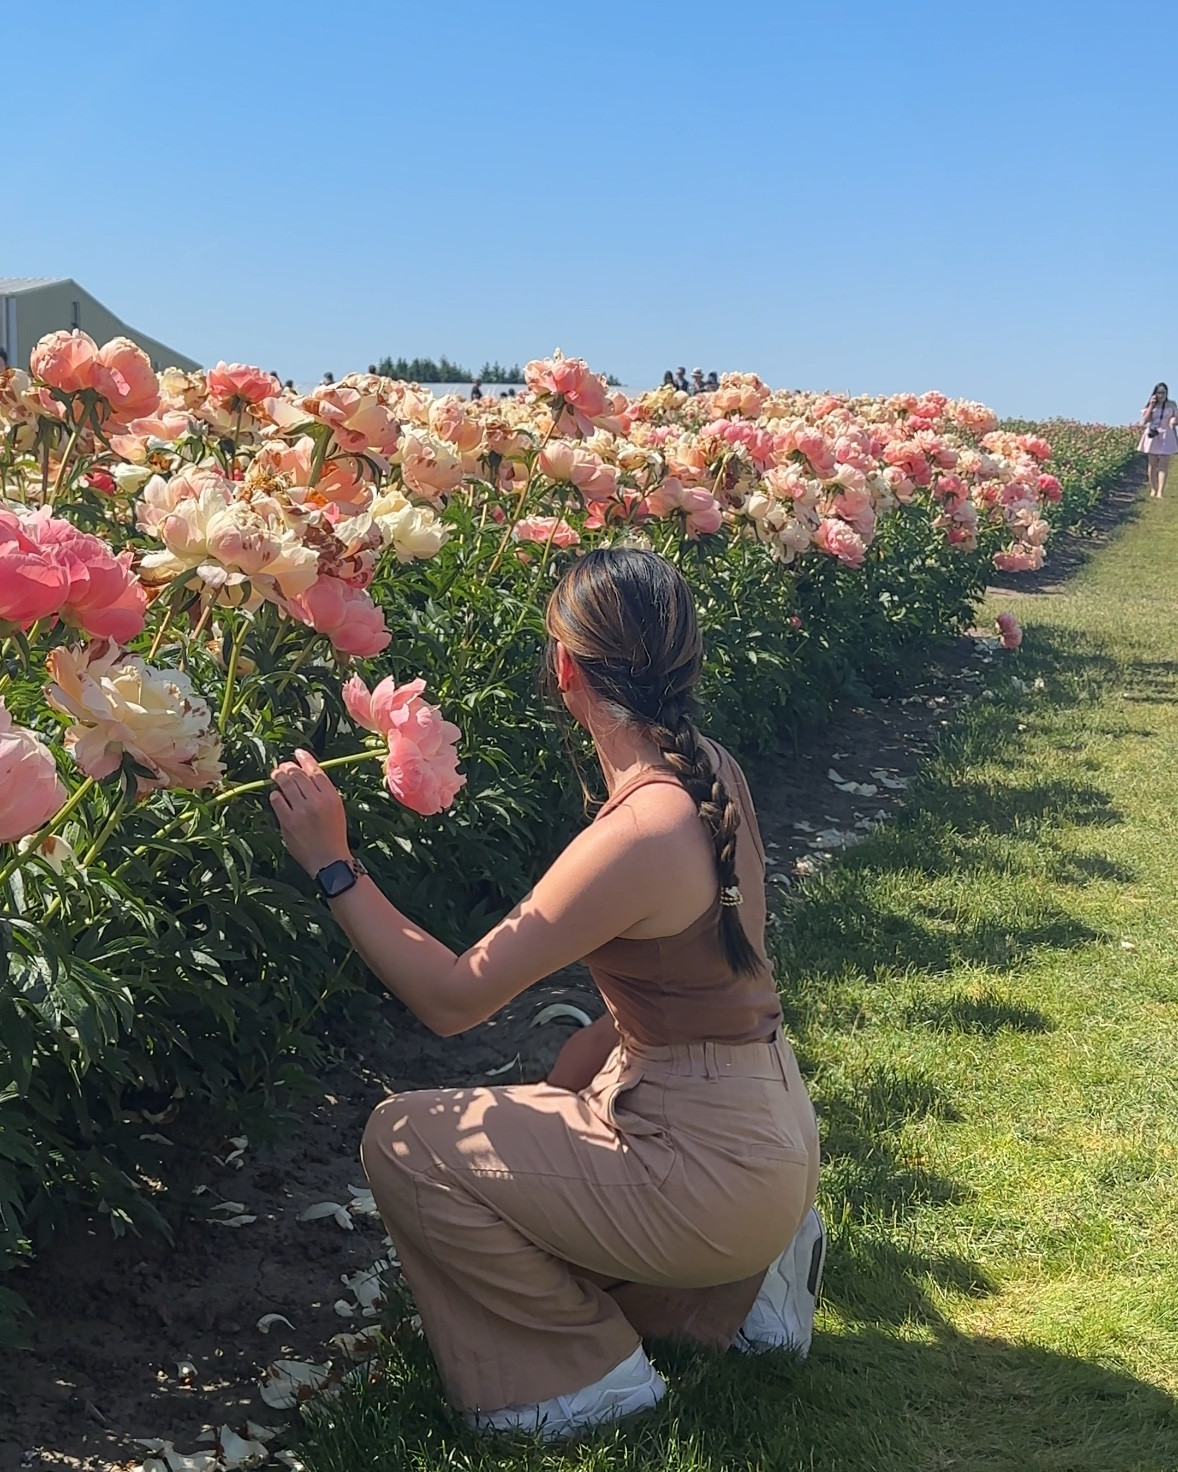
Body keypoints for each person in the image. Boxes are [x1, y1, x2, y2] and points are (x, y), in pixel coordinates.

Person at [269, 548, 824, 1442]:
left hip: (711, 1170)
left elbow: (453, 1000)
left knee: (406, 1140)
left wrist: (333, 861)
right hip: (773, 1133)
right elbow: (726, 971)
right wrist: (593, 1062)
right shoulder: (709, 768)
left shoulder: (641, 828)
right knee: (557, 1096)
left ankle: (584, 1380)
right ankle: (750, 1286)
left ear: (565, 664)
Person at [1138, 382, 1178, 498]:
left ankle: (1160, 491)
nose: (1161, 395)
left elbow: (1176, 418)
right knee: (1152, 464)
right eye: (1159, 393)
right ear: (1155, 393)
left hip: (1166, 434)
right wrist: (1151, 405)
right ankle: (1153, 488)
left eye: (1163, 393)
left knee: (1163, 465)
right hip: (1153, 434)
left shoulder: (1171, 405)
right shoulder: (1151, 406)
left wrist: (1173, 420)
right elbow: (1144, 421)